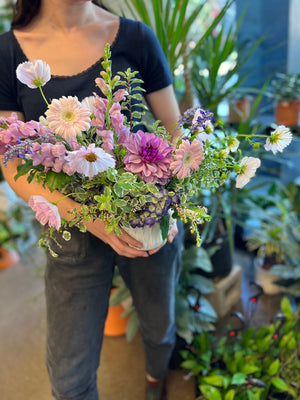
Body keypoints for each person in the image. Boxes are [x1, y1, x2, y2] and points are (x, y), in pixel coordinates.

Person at [0, 1, 184, 399]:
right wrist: (87, 217)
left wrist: (175, 199)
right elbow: (11, 161)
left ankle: (156, 381)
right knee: (69, 379)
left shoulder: (136, 38)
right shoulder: (8, 53)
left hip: (145, 212)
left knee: (159, 326)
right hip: (70, 227)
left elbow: (176, 134)